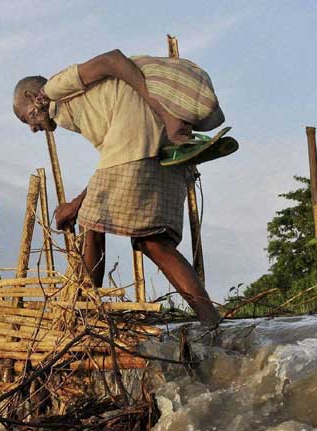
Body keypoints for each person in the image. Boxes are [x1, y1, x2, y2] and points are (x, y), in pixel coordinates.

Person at [12, 49, 222, 327]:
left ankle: (87, 318)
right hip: (159, 148)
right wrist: (77, 204)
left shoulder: (53, 89)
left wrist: (164, 113)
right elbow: (112, 169)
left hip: (142, 139)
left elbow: (113, 60)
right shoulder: (83, 109)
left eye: (27, 119)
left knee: (91, 225)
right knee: (153, 241)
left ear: (31, 98)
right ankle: (211, 320)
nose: (33, 129)